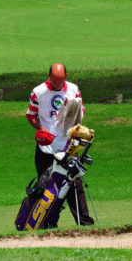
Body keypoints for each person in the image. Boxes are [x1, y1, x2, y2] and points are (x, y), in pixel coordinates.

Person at [26, 63, 94, 226]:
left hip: (68, 146)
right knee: (46, 187)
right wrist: (40, 128)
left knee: (75, 184)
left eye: (61, 81)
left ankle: (85, 223)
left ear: (66, 76)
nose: (58, 85)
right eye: (55, 81)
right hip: (46, 147)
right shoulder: (39, 92)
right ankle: (47, 224)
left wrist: (75, 124)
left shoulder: (73, 89)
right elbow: (31, 116)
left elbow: (81, 110)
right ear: (48, 76)